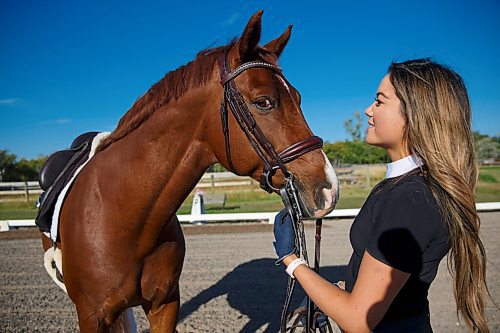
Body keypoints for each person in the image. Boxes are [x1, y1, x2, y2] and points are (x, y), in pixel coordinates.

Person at [273, 59, 490, 333]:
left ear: (414, 114)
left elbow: (359, 319)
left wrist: (292, 261)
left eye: (379, 101)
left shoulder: (411, 200)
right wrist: (332, 293)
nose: (368, 110)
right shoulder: (399, 187)